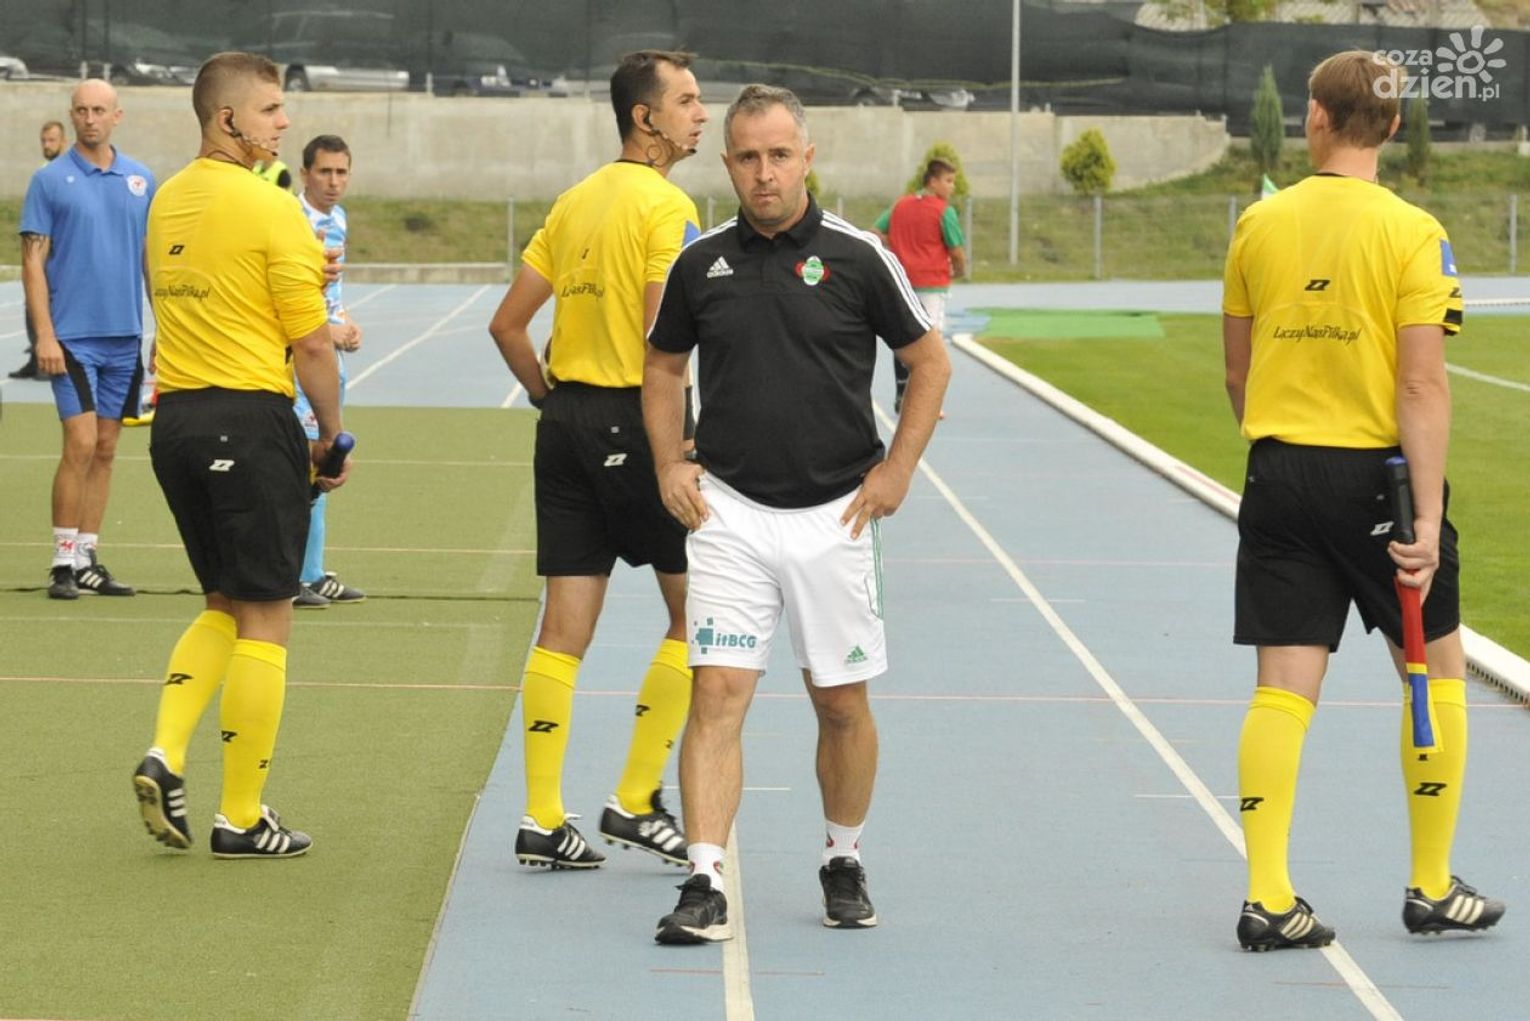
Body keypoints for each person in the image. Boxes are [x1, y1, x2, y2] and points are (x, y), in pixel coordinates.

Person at [644, 84, 951, 943]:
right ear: (728, 163)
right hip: (730, 515)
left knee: (841, 703)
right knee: (717, 693)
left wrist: (896, 471)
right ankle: (705, 878)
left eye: (779, 155)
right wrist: (669, 462)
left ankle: (842, 856)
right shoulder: (701, 263)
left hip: (835, 517)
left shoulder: (860, 256)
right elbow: (663, 367)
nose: (764, 172)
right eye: (747, 157)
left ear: (807, 157)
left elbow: (929, 362)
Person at [1222, 49, 1503, 951]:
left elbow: (1239, 374)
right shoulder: (1414, 232)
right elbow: (1421, 384)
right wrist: (1423, 518)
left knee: (1282, 688)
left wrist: (1283, 442)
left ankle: (1268, 896)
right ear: (1392, 126)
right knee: (1436, 669)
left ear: (1314, 116)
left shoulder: (1258, 223)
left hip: (1279, 469)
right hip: (1380, 481)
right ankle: (1431, 883)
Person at [486, 50, 709, 870]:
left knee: (562, 631)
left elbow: (508, 325)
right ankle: (637, 796)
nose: (701, 114)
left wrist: (547, 395)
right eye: (686, 101)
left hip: (566, 421)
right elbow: (663, 340)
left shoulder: (575, 200)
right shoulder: (667, 206)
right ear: (645, 118)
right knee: (699, 613)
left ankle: (543, 816)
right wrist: (683, 441)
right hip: (637, 419)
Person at [130, 51, 348, 859]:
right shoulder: (271, 207)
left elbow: (193, 292)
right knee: (267, 615)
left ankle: (166, 749)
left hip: (177, 425)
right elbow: (312, 343)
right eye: (269, 109)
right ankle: (242, 816)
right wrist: (329, 436)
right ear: (227, 119)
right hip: (249, 423)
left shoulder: (166, 199)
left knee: (222, 601)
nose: (284, 122)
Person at [20, 82, 153, 600]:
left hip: (125, 337)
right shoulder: (50, 180)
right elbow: (33, 263)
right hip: (72, 338)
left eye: (99, 110)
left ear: (117, 115)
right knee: (79, 443)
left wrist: (165, 330)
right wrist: (44, 336)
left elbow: (151, 261)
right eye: (81, 110)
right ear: (72, 115)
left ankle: (87, 558)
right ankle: (62, 560)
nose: (90, 118)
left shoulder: (141, 179)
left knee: (106, 448)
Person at [292, 133, 365, 608]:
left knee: (325, 465)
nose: (334, 181)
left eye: (341, 172)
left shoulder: (338, 219)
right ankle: (291, 574)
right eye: (324, 172)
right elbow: (288, 299)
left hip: (329, 358)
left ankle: (311, 571)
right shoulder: (292, 222)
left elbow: (329, 296)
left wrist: (346, 324)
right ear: (305, 174)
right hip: (301, 358)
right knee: (304, 465)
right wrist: (326, 331)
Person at [874, 158, 965, 414]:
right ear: (933, 181)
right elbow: (956, 250)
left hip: (902, 280)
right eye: (948, 181)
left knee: (903, 336)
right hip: (931, 284)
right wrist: (959, 270)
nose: (952, 186)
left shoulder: (900, 205)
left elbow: (875, 232)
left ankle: (902, 392)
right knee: (931, 343)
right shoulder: (943, 211)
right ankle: (928, 402)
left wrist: (896, 243)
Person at [10, 121, 69, 381]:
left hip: (58, 252)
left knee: (52, 304)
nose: (47, 145)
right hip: (40, 248)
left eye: (52, 140)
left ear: (63, 141)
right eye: (44, 140)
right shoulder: (44, 171)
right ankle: (36, 359)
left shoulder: (65, 172)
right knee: (31, 302)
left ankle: (52, 360)